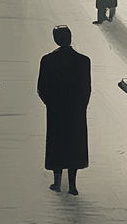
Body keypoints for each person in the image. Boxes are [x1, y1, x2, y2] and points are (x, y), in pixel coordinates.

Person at [37, 25, 91, 195]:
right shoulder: (83, 60)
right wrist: (81, 105)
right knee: (74, 143)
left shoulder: (47, 60)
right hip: (76, 110)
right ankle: (73, 185)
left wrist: (51, 103)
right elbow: (86, 88)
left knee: (57, 143)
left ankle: (57, 182)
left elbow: (41, 88)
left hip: (56, 109)